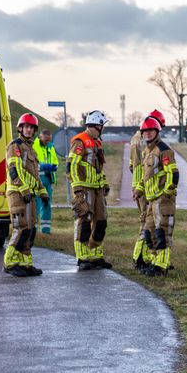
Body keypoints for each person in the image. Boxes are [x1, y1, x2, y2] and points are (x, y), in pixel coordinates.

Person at [4, 112, 50, 277]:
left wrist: (42, 192)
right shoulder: (14, 146)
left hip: (29, 195)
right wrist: (24, 190)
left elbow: (35, 175)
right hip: (17, 193)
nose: (29, 130)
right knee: (21, 228)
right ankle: (10, 263)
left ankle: (25, 264)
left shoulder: (31, 148)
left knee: (30, 230)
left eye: (32, 127)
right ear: (20, 128)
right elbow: (14, 170)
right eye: (26, 127)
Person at [68, 110, 112, 270]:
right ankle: (83, 257)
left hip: (97, 189)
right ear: (97, 125)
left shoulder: (97, 142)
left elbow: (98, 168)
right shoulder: (80, 141)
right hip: (84, 189)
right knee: (84, 222)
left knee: (101, 222)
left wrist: (104, 184)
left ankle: (95, 255)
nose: (103, 129)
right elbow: (71, 166)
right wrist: (77, 189)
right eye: (102, 125)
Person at [139, 115, 178, 276]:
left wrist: (167, 192)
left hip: (163, 199)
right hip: (151, 200)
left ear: (157, 131)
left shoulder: (164, 150)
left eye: (151, 130)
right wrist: (139, 189)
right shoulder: (147, 152)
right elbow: (146, 175)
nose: (147, 133)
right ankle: (155, 262)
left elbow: (173, 174)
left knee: (162, 232)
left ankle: (162, 265)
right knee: (150, 233)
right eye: (145, 131)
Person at [130, 109, 166, 270]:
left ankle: (142, 256)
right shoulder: (143, 141)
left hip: (140, 183)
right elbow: (142, 165)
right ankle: (140, 257)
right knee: (147, 221)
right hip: (144, 184)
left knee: (146, 221)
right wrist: (141, 185)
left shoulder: (136, 138)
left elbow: (132, 165)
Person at [33, 128, 59, 234]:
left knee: (47, 205)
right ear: (41, 136)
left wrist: (54, 166)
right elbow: (32, 164)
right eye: (46, 140)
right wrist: (43, 166)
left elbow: (55, 161)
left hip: (48, 180)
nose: (48, 142)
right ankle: (33, 229)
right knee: (36, 205)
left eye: (49, 140)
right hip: (37, 180)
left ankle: (46, 230)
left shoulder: (50, 147)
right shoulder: (34, 146)